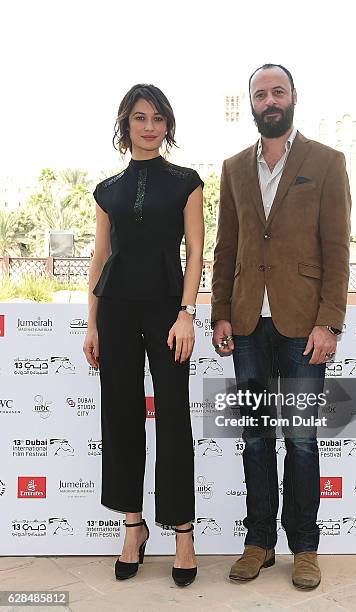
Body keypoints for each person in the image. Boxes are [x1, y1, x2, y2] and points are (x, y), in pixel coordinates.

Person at [211, 64, 351, 590]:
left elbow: (337, 249)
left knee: (301, 439)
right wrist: (221, 311)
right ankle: (258, 542)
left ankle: (306, 548)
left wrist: (329, 323)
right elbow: (227, 248)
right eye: (260, 93)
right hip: (246, 322)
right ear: (250, 103)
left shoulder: (327, 162)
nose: (269, 100)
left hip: (302, 327)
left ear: (293, 97)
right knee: (254, 439)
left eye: (277, 91)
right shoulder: (232, 168)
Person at [83, 83, 204, 586]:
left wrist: (186, 313)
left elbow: (196, 252)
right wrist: (90, 322)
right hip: (115, 312)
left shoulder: (186, 182)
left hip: (166, 310)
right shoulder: (107, 189)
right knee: (122, 417)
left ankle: (182, 534)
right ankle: (133, 527)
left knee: (173, 417)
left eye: (157, 118)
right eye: (139, 118)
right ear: (125, 124)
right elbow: (99, 256)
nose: (149, 126)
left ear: (167, 125)